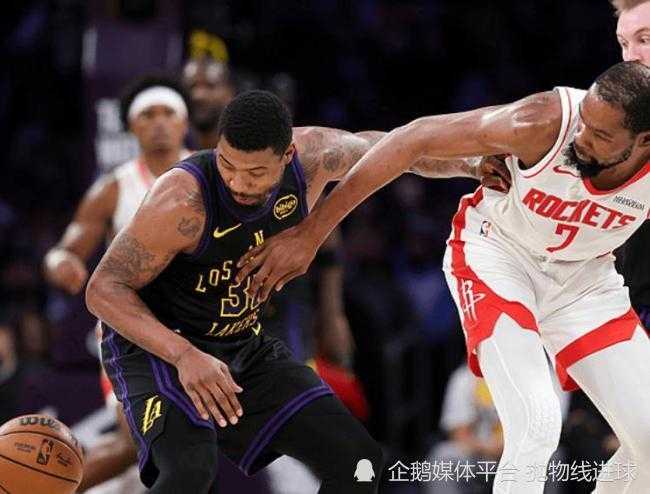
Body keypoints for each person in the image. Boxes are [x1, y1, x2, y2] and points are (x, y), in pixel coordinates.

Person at [236, 62, 650, 493]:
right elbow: (414, 138)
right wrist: (310, 234)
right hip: (500, 259)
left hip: (583, 279)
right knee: (537, 426)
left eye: (600, 136)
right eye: (584, 122)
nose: (581, 137)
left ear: (644, 141)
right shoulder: (543, 121)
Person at [43, 75, 191, 492]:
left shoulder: (212, 174)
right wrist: (63, 263)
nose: (159, 122)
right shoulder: (113, 188)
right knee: (134, 443)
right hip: (129, 333)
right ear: (131, 126)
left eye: (168, 113)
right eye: (148, 115)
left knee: (181, 451)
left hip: (198, 331)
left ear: (183, 123)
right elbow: (63, 250)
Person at [611, 0, 650, 330]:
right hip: (629, 316)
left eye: (645, 40)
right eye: (624, 43)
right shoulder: (612, 125)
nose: (630, 57)